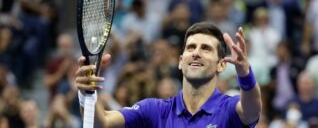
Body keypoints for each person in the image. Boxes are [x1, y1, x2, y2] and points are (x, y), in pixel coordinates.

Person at [76, 22, 262, 127]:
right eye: (191, 47)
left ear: (221, 65)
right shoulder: (154, 110)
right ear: (181, 61)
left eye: (206, 48)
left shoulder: (229, 109)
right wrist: (86, 93)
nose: (196, 52)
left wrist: (245, 74)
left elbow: (252, 109)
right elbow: (103, 123)